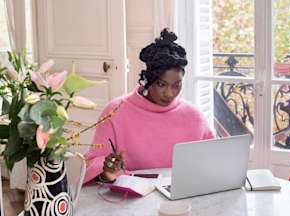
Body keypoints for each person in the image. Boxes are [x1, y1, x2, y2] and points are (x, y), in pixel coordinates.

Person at [83, 28, 214, 184]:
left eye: (176, 85)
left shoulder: (194, 116)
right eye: (161, 84)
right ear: (147, 80)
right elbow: (93, 165)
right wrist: (108, 173)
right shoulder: (115, 111)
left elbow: (212, 161)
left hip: (182, 196)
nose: (169, 93)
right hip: (129, 199)